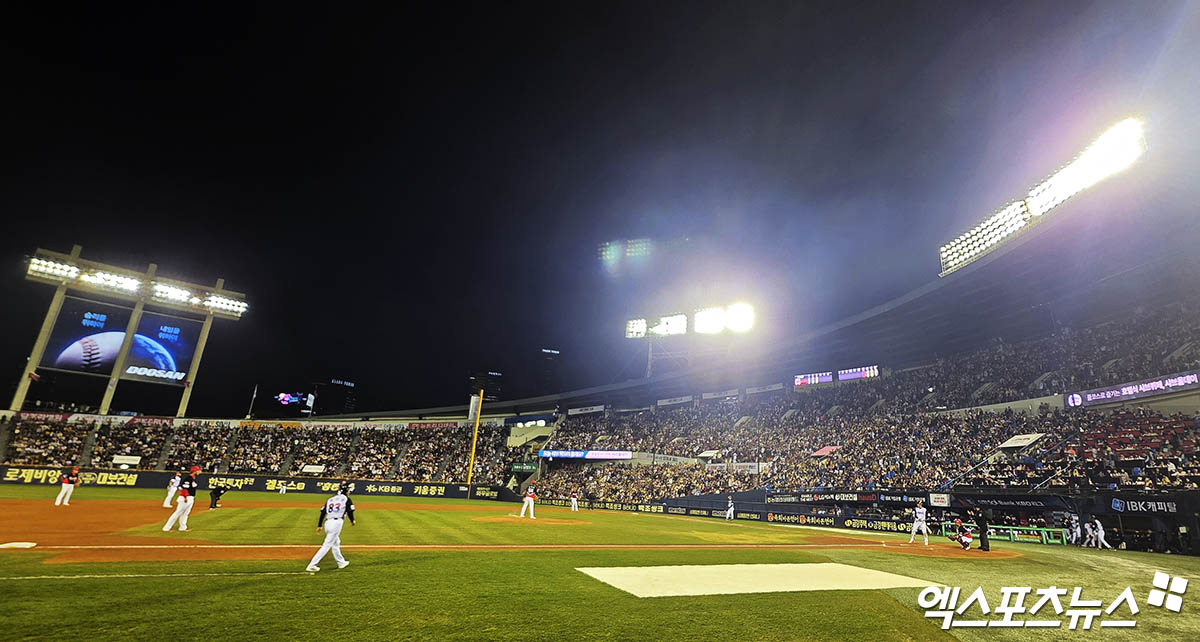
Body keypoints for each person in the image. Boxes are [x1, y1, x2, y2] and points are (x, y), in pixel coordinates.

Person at [306, 482, 355, 572]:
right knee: (327, 545)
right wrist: (352, 520)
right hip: (336, 523)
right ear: (346, 490)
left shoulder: (331, 499)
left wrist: (319, 525)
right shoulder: (346, 499)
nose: (349, 492)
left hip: (327, 523)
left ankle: (341, 563)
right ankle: (312, 565)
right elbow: (350, 511)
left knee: (336, 542)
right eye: (348, 490)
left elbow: (323, 512)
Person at [163, 466, 201, 532]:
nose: (199, 472)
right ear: (194, 471)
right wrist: (185, 497)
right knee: (178, 512)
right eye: (198, 471)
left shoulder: (193, 478)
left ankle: (182, 527)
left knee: (185, 513)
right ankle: (166, 528)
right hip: (185, 498)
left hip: (190, 497)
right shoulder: (188, 478)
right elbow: (184, 488)